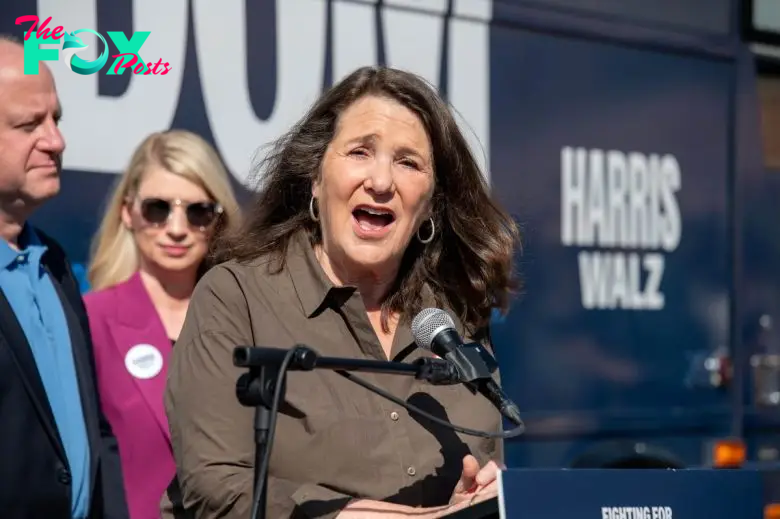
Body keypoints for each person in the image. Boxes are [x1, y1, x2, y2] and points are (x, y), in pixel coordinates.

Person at [165, 65, 521, 519]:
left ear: (430, 203)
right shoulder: (236, 296)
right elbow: (213, 486)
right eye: (360, 152)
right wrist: (343, 515)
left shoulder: (454, 316)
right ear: (315, 179)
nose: (380, 181)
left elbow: (487, 462)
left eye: (408, 162)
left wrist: (472, 504)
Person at [0, 36, 129, 518]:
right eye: (29, 123)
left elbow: (93, 430)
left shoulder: (53, 262)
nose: (56, 141)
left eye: (56, 118)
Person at [83, 130, 241, 519]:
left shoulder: (246, 320)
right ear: (127, 211)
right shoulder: (90, 319)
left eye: (197, 211)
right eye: (157, 209)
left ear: (218, 220)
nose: (176, 227)